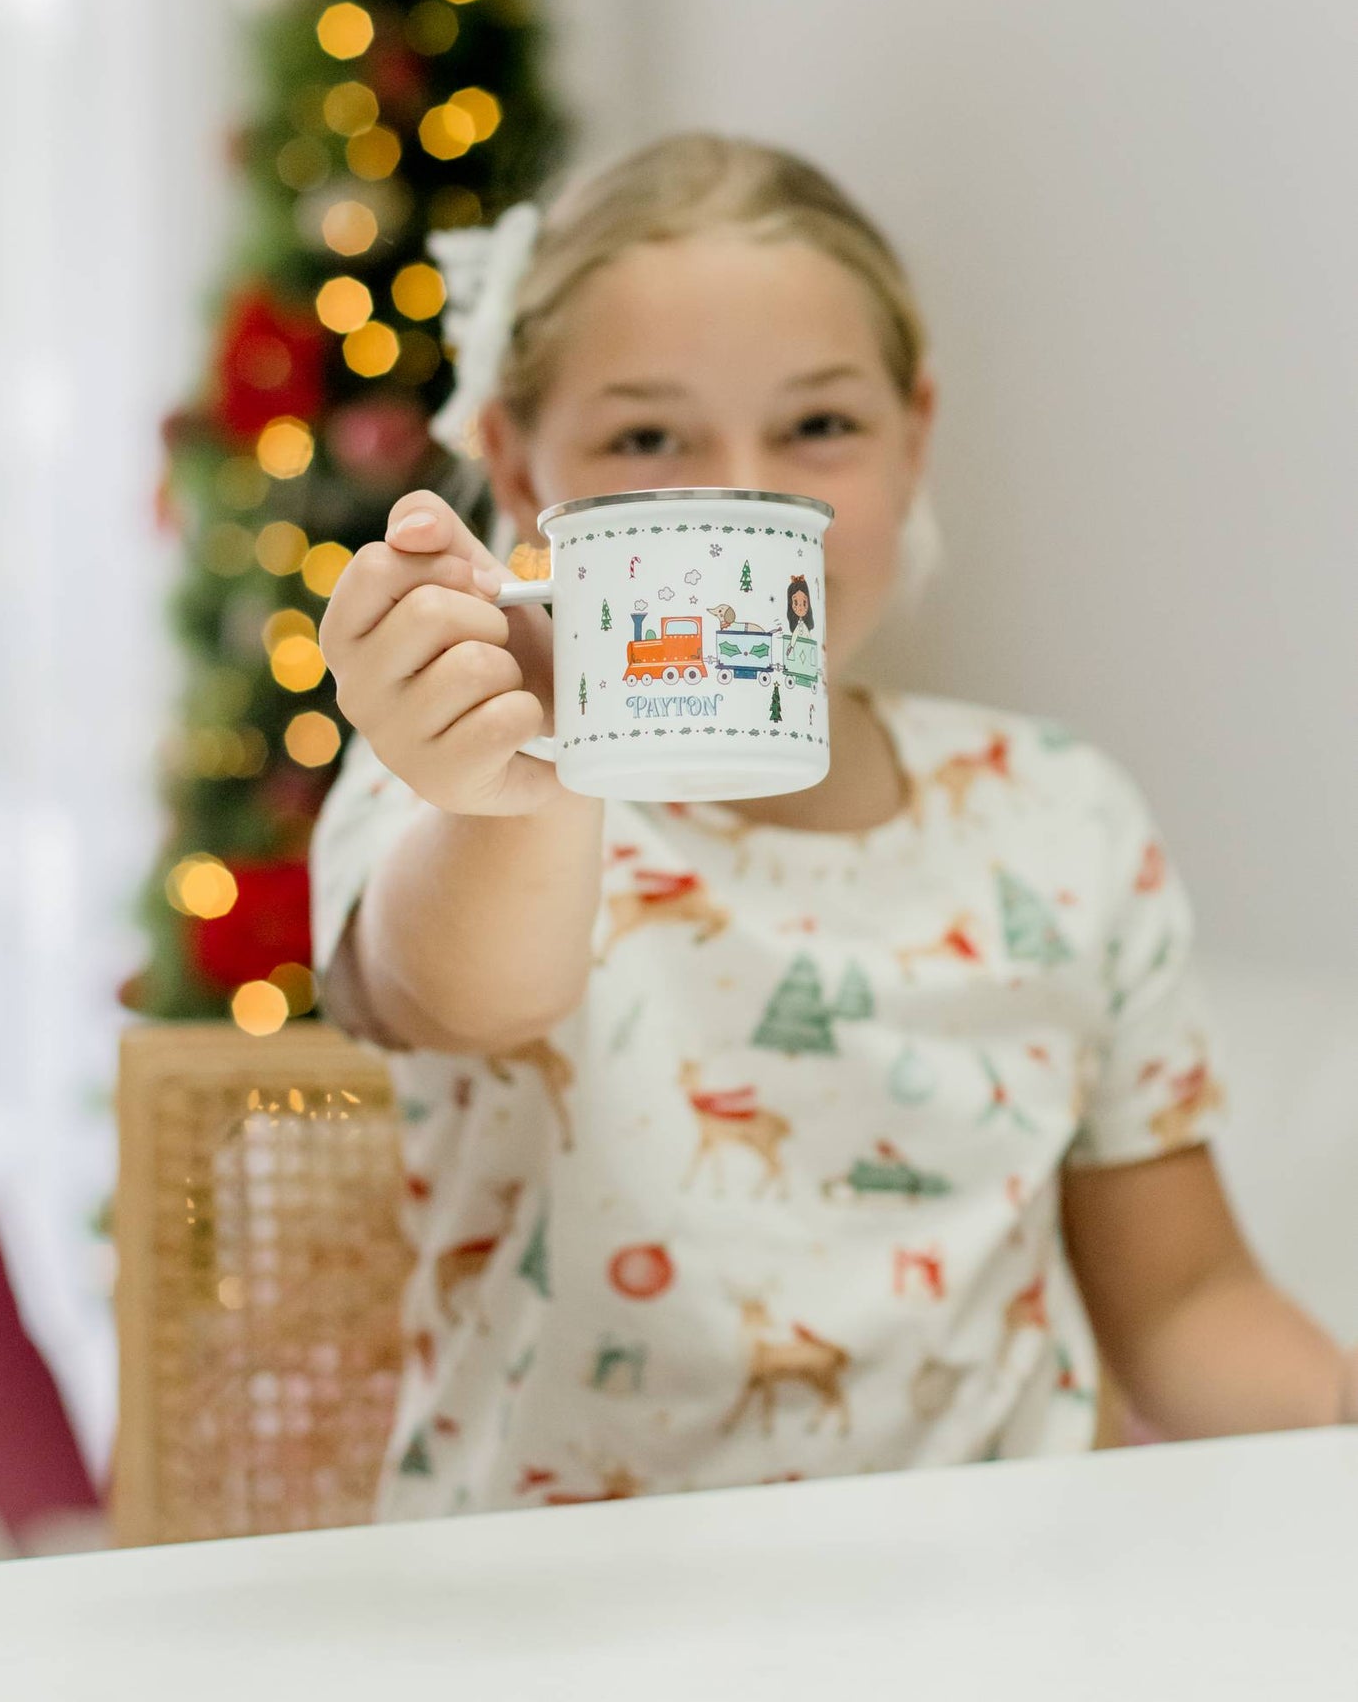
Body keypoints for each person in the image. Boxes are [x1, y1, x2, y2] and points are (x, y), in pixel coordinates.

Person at [311, 132, 1354, 1521]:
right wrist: (520, 788)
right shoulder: (460, 782)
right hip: (556, 1615)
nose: (740, 497)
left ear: (914, 439)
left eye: (819, 427)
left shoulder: (1064, 816)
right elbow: (464, 992)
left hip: (994, 1606)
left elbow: (1182, 1300)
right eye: (644, 438)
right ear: (511, 460)